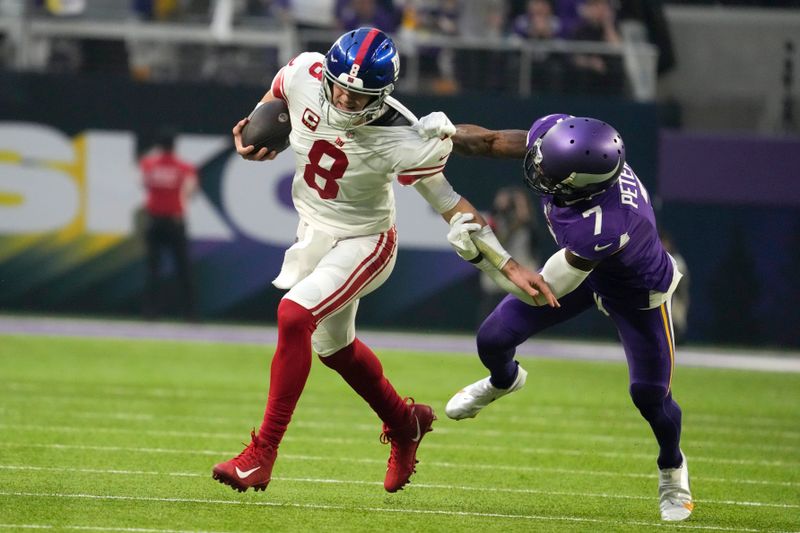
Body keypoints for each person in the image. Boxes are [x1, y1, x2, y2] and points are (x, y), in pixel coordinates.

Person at [211, 27, 557, 494]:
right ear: (327, 75)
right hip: (312, 230)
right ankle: (405, 422)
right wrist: (253, 131)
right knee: (334, 349)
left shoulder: (405, 137)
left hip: (365, 240)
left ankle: (262, 453)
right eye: (342, 91)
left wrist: (509, 266)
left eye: (362, 97)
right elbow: (275, 100)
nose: (349, 103)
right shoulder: (304, 71)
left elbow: (453, 205)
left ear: (385, 94)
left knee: (294, 316)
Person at [416, 112, 693, 521]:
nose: (538, 167)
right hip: (583, 270)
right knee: (492, 340)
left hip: (636, 295)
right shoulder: (565, 138)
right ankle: (504, 380)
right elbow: (492, 140)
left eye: (551, 170)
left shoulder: (604, 222)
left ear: (582, 187)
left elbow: (541, 287)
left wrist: (481, 254)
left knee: (650, 396)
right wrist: (447, 135)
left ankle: (672, 467)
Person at [140, 128, 198, 321]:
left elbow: (143, 183)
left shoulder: (149, 164)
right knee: (183, 270)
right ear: (175, 145)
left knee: (153, 269)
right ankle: (189, 314)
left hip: (154, 221)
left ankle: (151, 313)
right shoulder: (184, 167)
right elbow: (190, 191)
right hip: (175, 221)